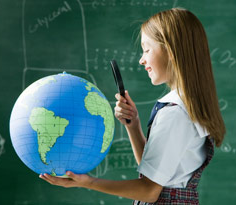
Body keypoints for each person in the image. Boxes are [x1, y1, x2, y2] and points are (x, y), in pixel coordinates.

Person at [39, 8, 226, 204]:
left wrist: (88, 182)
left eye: (147, 49)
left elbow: (149, 191)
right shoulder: (190, 106)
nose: (141, 59)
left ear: (171, 50)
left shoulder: (174, 113)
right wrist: (133, 126)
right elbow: (155, 173)